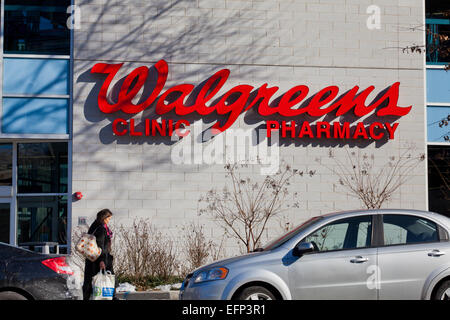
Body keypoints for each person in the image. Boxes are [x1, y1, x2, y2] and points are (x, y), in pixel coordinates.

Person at [82, 209, 116, 300]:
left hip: (93, 259)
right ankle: (111, 297)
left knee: (91, 281)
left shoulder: (94, 226)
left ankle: (89, 297)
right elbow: (101, 246)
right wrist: (102, 261)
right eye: (108, 218)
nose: (109, 220)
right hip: (100, 259)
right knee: (108, 279)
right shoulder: (101, 229)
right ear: (104, 218)